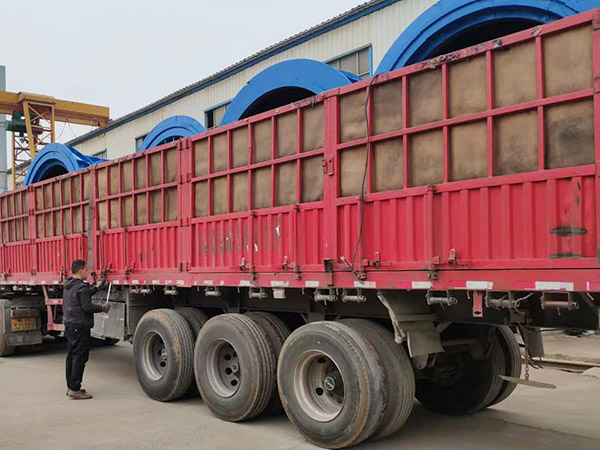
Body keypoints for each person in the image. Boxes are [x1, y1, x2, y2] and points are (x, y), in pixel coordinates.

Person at [63, 259, 110, 400]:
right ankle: (75, 389)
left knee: (72, 355)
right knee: (80, 356)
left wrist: (97, 288)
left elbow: (83, 294)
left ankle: (71, 386)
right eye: (85, 270)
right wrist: (103, 308)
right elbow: (87, 306)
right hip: (80, 325)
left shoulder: (69, 284)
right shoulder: (81, 287)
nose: (87, 273)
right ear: (81, 270)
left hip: (70, 325)